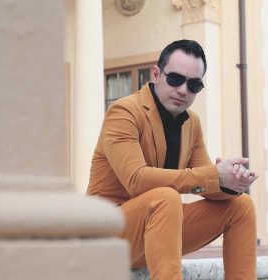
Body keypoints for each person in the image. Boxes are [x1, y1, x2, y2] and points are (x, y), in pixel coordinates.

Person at [87, 39, 258, 280]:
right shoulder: (124, 112)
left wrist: (228, 182)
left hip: (157, 233)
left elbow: (204, 182)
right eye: (175, 79)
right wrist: (213, 175)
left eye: (194, 85)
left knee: (241, 206)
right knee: (165, 197)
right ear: (156, 74)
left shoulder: (192, 122)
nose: (183, 90)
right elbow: (135, 179)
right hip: (108, 235)